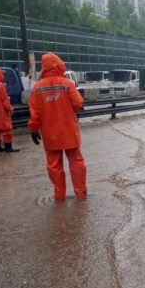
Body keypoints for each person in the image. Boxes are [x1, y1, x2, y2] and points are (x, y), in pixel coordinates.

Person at [28, 53, 87, 201]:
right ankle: (81, 194)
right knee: (76, 162)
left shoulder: (37, 88)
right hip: (69, 131)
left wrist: (34, 130)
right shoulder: (67, 84)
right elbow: (79, 103)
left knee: (54, 165)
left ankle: (59, 196)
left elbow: (35, 114)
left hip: (50, 134)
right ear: (59, 64)